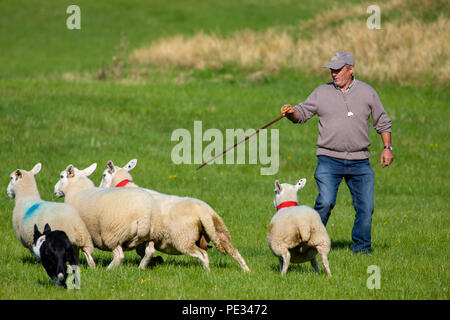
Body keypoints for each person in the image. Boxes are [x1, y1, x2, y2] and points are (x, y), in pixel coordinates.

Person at [281, 51, 393, 254]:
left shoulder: (367, 92)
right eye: (331, 70)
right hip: (329, 159)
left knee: (365, 208)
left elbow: (382, 122)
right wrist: (290, 113)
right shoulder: (321, 92)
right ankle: (309, 243)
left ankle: (361, 250)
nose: (333, 74)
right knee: (325, 202)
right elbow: (302, 114)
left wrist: (387, 148)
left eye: (338, 69)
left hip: (360, 160)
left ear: (351, 69)